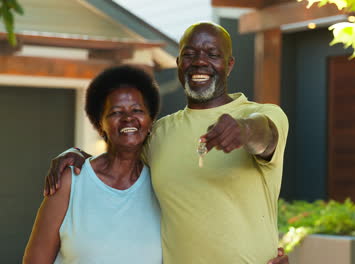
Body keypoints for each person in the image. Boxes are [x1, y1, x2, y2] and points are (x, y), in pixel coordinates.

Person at [44, 22, 289, 264]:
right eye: (189, 54)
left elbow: (265, 135)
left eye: (212, 54)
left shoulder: (264, 114)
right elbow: (119, 161)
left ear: (229, 64)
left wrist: (243, 130)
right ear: (179, 64)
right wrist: (77, 154)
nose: (200, 62)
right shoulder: (159, 133)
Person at [24, 65, 163, 263]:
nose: (128, 118)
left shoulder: (161, 183)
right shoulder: (70, 182)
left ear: (150, 122)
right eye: (116, 112)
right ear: (100, 125)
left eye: (137, 110)